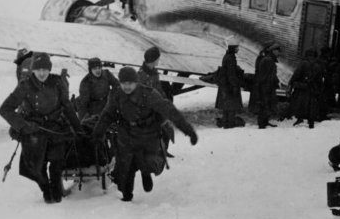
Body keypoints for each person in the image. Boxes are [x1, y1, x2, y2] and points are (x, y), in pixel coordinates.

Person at [91, 67, 198, 202]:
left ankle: (145, 172)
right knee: (124, 167)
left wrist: (188, 130)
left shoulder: (149, 94)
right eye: (124, 83)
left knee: (148, 161)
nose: (127, 86)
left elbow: (169, 110)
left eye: (130, 83)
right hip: (126, 134)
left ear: (136, 82)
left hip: (147, 134)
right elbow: (107, 115)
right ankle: (127, 197)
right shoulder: (116, 94)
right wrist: (97, 134)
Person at [0, 52, 83, 204]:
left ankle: (56, 192)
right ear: (33, 70)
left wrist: (78, 128)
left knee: (57, 162)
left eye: (45, 69)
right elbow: (5, 109)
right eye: (38, 70)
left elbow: (67, 106)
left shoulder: (57, 82)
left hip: (55, 128)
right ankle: (46, 189)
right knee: (36, 167)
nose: (42, 73)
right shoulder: (25, 86)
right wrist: (24, 125)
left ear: (50, 69)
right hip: (34, 131)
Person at [138, 46, 176, 154]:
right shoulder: (141, 75)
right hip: (145, 111)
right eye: (158, 59)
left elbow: (158, 89)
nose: (159, 61)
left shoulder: (154, 72)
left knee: (167, 127)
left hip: (155, 107)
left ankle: (163, 150)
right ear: (153, 60)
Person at [288, 48, 323, 128]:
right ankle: (311, 122)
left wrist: (291, 83)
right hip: (312, 89)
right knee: (311, 106)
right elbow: (319, 80)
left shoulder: (303, 63)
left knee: (300, 104)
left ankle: (300, 119)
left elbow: (296, 75)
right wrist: (319, 90)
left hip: (302, 88)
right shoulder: (317, 66)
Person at [215, 38, 245, 129]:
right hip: (229, 86)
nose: (238, 49)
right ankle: (230, 124)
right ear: (233, 48)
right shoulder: (231, 58)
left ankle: (226, 122)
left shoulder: (227, 56)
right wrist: (235, 86)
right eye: (237, 47)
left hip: (225, 86)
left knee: (227, 107)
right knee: (232, 106)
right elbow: (231, 74)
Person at [254, 42, 281, 129]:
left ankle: (264, 122)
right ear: (273, 51)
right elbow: (264, 75)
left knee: (266, 104)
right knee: (264, 104)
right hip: (266, 86)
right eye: (277, 51)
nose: (279, 53)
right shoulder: (268, 60)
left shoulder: (269, 59)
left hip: (267, 85)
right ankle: (261, 124)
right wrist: (267, 85)